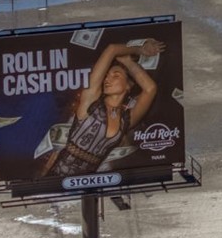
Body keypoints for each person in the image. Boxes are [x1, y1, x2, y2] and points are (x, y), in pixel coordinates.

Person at [39, 36, 161, 180]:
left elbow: (150, 89)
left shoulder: (127, 119)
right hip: (56, 181)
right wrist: (139, 49)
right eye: (107, 76)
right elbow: (111, 49)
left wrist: (128, 62)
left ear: (129, 85)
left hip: (88, 186)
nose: (107, 80)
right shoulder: (91, 101)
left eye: (115, 76)